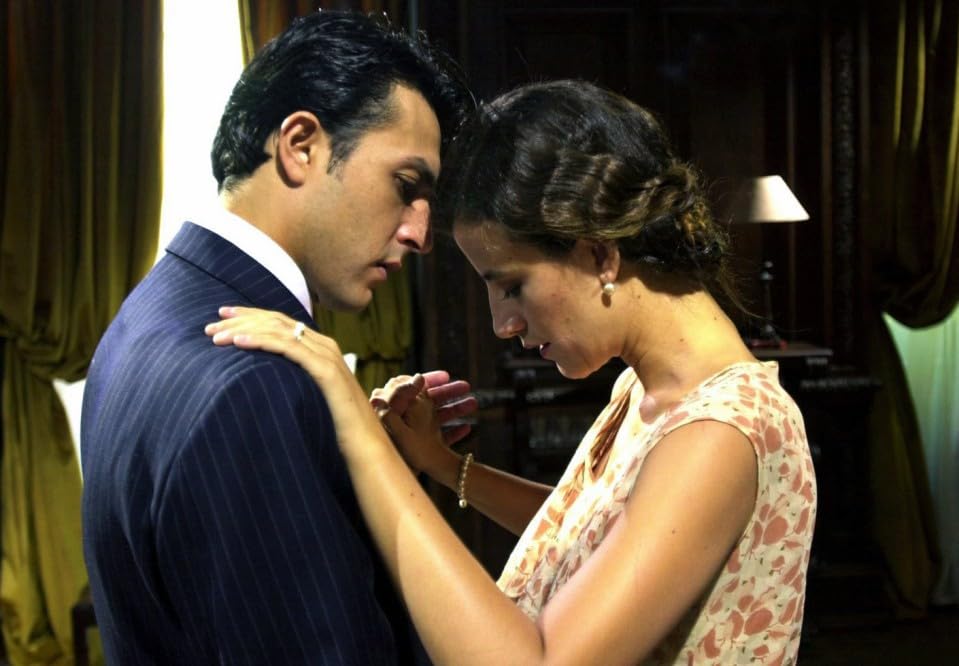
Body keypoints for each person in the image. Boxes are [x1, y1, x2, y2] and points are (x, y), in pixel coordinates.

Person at [206, 80, 818, 664]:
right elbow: (592, 538)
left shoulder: (718, 433)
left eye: (512, 286)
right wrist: (442, 464)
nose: (503, 324)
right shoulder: (647, 387)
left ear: (599, 253)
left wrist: (362, 438)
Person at [80, 10, 472, 665]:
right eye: (406, 187)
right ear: (300, 145)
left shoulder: (147, 312)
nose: (420, 234)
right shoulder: (255, 385)